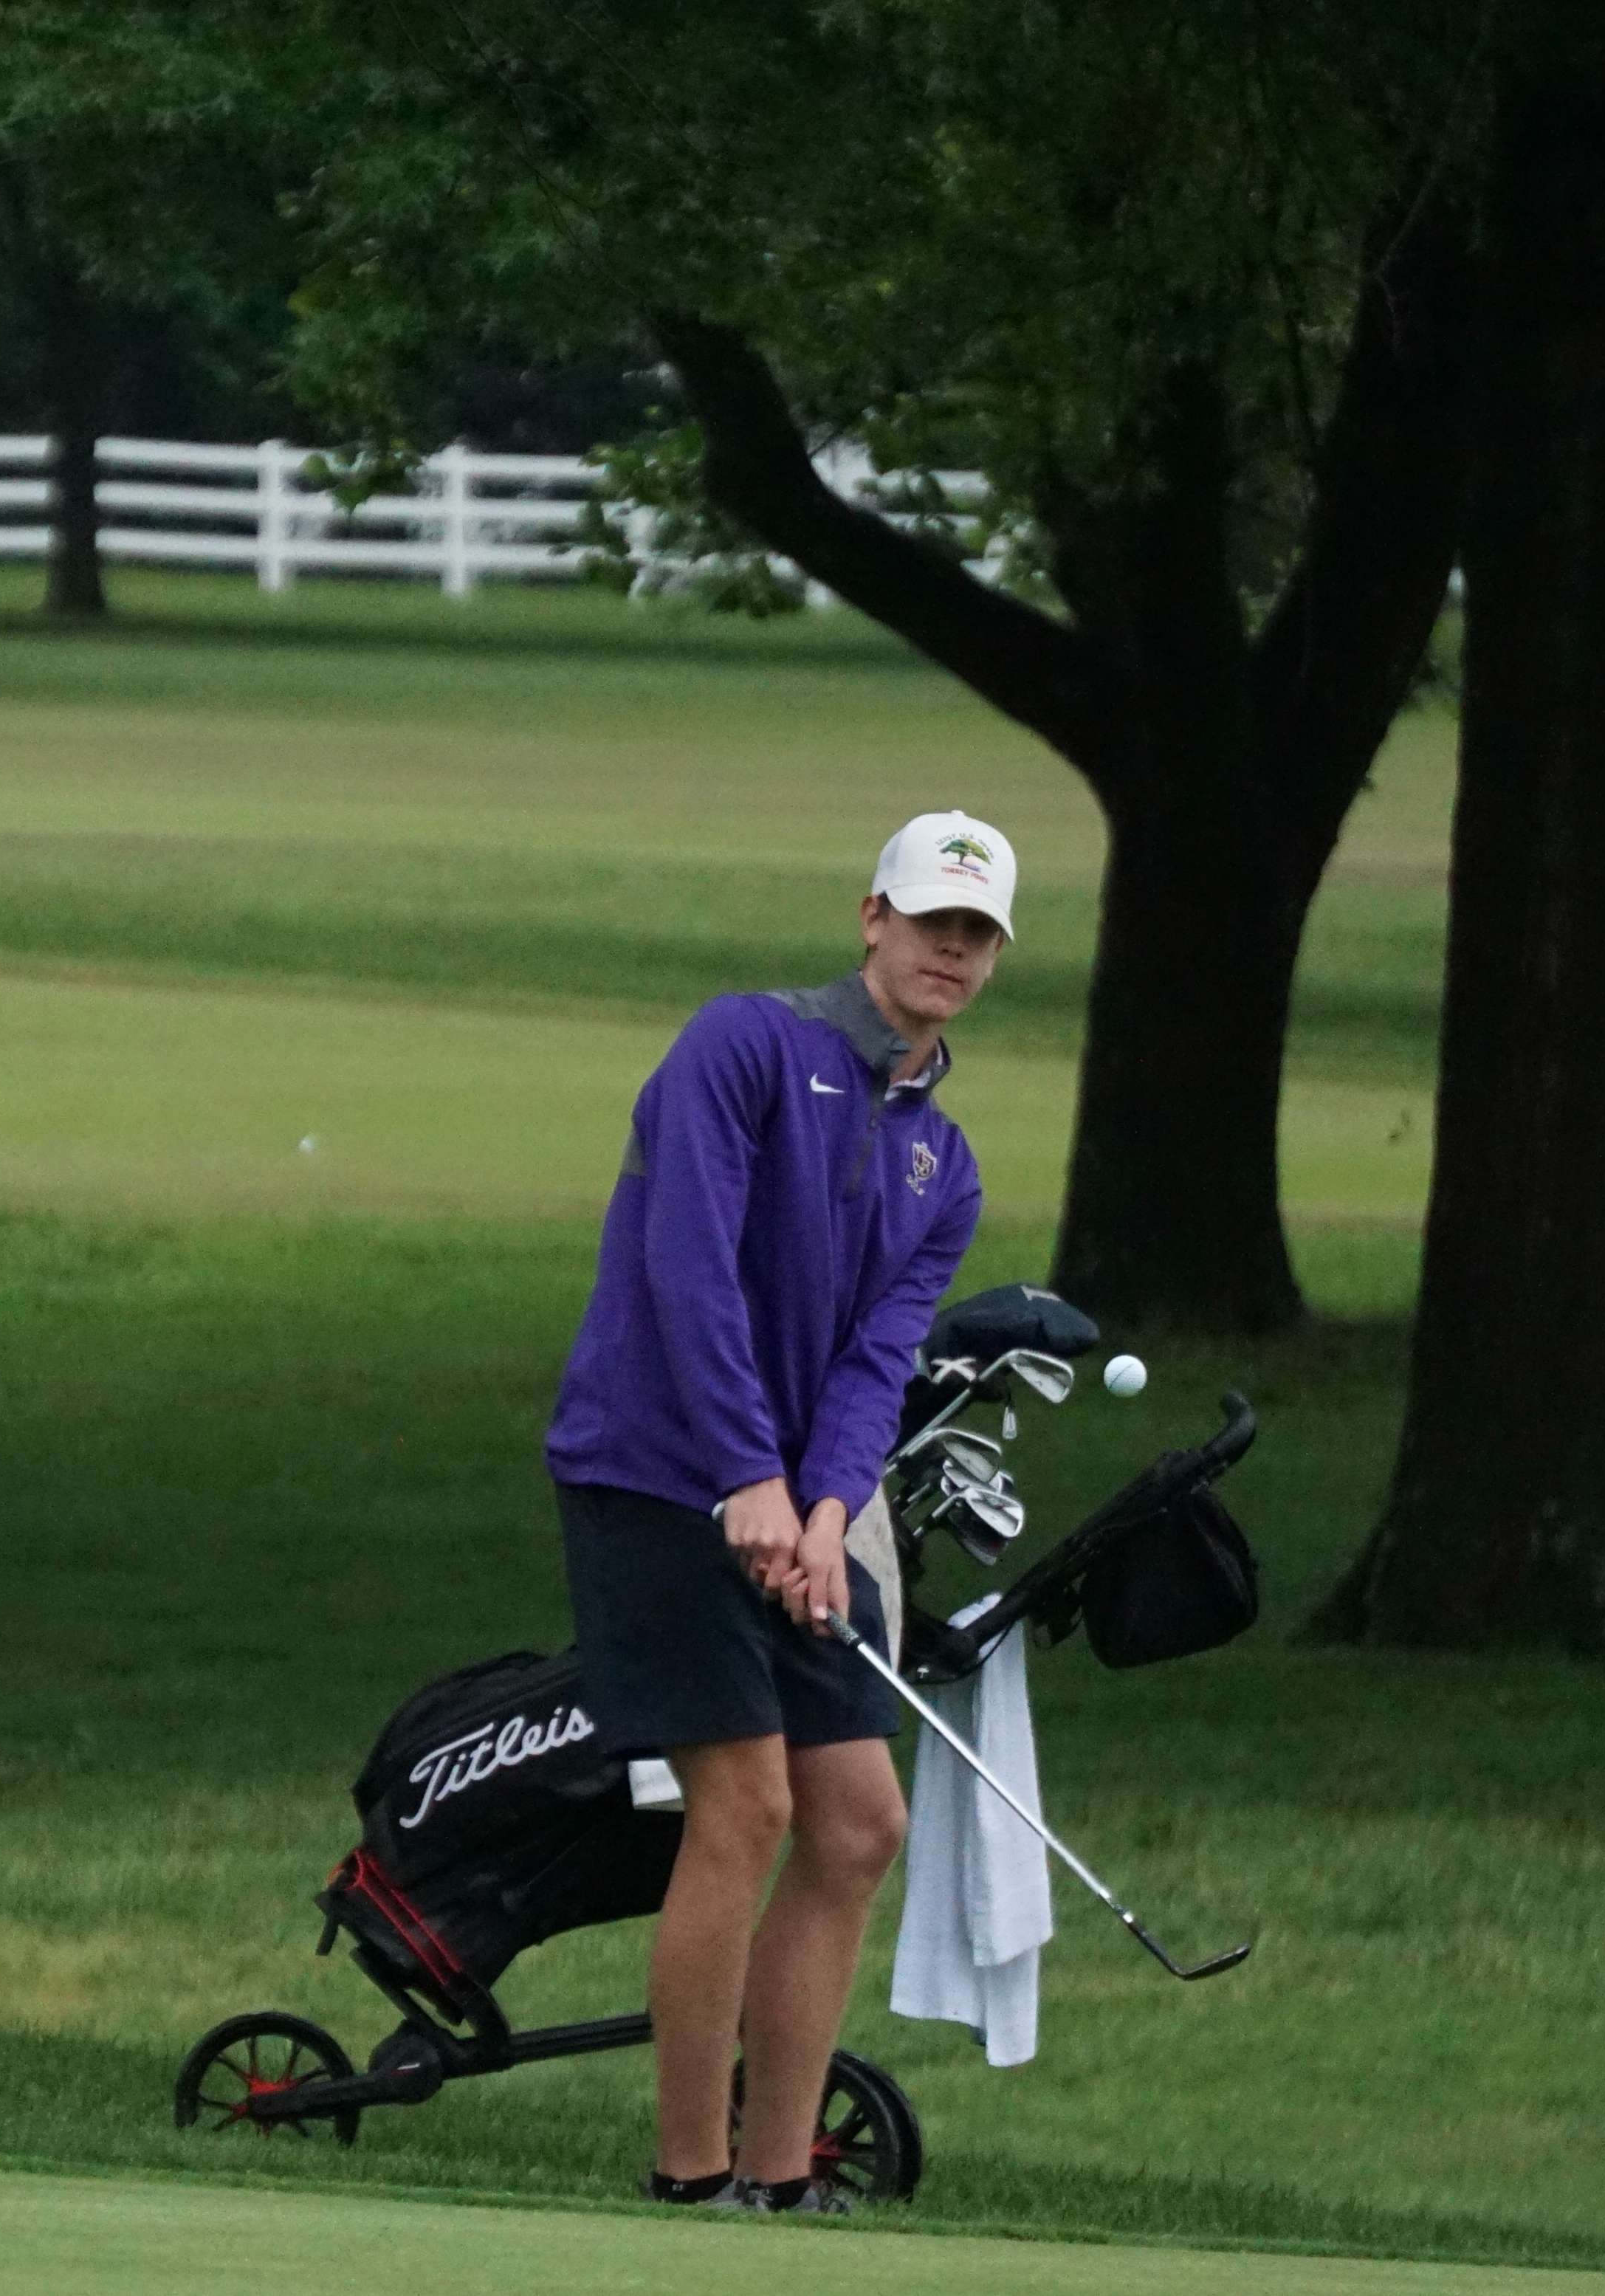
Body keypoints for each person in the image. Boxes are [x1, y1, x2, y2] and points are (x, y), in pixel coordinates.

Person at [546, 809, 1015, 2213]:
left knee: (858, 1819)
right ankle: (690, 2176)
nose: (950, 946)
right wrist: (746, 1477)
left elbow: (880, 1357)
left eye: (976, 931)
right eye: (931, 916)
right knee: (742, 1806)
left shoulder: (949, 1164)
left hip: (790, 1501)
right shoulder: (741, 1047)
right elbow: (687, 1264)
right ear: (870, 916)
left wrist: (826, 1505)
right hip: (648, 1467)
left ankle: (779, 2171)